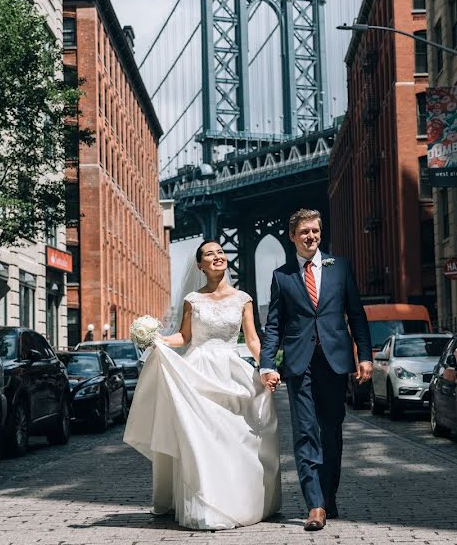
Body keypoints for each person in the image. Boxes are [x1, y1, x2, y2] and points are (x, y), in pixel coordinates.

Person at [124, 240, 281, 530]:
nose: (218, 256)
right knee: (202, 440)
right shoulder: (192, 300)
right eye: (210, 254)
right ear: (200, 265)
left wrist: (267, 367)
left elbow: (252, 339)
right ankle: (203, 505)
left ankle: (237, 499)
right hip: (197, 372)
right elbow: (183, 337)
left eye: (221, 252)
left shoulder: (243, 299)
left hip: (230, 370)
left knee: (235, 439)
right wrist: (157, 340)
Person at [259, 208, 373, 531]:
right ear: (292, 236)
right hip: (299, 364)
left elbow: (357, 314)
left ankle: (328, 494)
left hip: (335, 362)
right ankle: (315, 505)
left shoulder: (340, 268)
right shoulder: (282, 277)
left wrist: (364, 355)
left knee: (332, 432)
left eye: (315, 231)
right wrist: (268, 364)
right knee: (306, 433)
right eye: (304, 232)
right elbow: (274, 326)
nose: (311, 237)